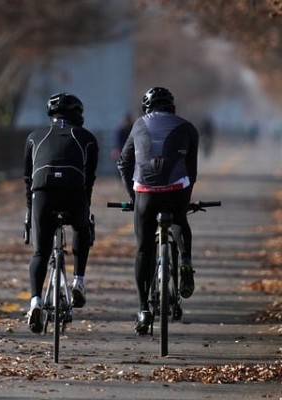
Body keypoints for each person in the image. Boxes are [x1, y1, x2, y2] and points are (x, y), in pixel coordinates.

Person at [117, 87, 199, 335]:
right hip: (177, 190)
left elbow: (124, 163)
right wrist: (185, 197)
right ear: (172, 108)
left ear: (146, 109)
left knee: (143, 249)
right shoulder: (187, 127)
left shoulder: (138, 125)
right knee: (180, 219)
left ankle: (143, 309)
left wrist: (134, 197)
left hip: (146, 192)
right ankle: (185, 259)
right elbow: (191, 170)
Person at [23, 92, 99, 334]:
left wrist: (29, 212)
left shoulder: (34, 136)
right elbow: (89, 179)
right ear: (79, 115)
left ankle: (35, 301)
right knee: (81, 227)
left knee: (40, 252)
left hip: (42, 193)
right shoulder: (87, 138)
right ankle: (78, 281)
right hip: (74, 193)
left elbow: (27, 178)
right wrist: (85, 208)